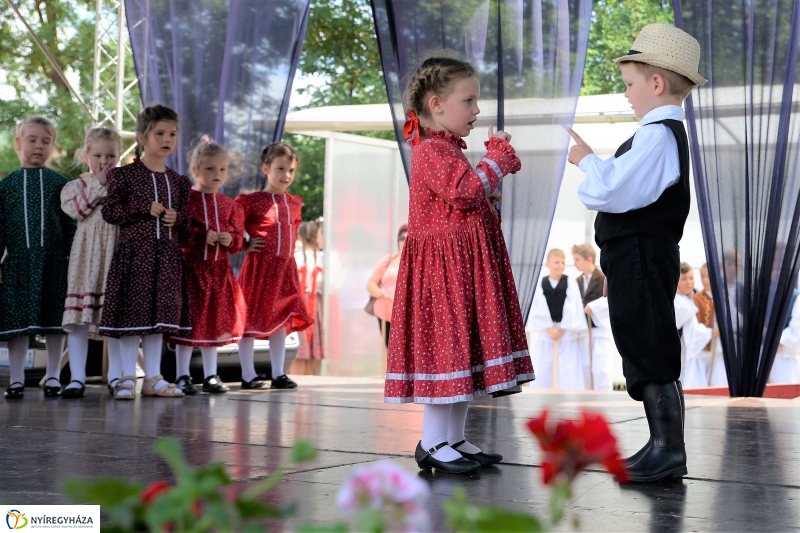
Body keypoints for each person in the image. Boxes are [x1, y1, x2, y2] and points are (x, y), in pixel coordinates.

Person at [384, 51, 534, 475]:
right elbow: (465, 192)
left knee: (463, 350)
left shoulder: (447, 150)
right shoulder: (431, 150)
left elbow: (467, 201)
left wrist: (487, 194)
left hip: (461, 270)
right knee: (446, 351)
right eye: (468, 101)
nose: (476, 109)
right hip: (443, 275)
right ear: (437, 105)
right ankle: (432, 441)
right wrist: (497, 159)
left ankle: (452, 438)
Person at [569, 23, 707, 482]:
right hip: (640, 256)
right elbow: (625, 187)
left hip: (643, 256)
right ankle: (662, 445)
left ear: (656, 83)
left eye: (630, 84)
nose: (627, 94)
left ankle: (669, 450)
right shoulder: (658, 136)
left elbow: (610, 190)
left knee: (649, 345)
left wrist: (587, 159)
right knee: (643, 342)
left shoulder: (657, 135)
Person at [99, 104, 192, 399]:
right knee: (132, 318)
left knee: (157, 319)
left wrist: (178, 218)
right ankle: (127, 377)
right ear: (142, 136)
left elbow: (189, 220)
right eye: (160, 133)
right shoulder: (123, 176)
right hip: (134, 256)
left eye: (172, 134)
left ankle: (153, 378)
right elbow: (110, 212)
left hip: (166, 258)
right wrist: (142, 207)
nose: (167, 139)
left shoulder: (179, 181)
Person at [1, 116, 76, 399]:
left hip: (55, 264)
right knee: (16, 325)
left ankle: (54, 376)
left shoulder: (62, 184)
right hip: (18, 265)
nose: (38, 146)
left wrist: (73, 260)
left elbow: (71, 226)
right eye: (32, 140)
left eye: (46, 141)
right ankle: (17, 379)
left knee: (56, 322)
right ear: (18, 143)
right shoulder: (6, 186)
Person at [170, 137, 246, 394]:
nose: (217, 174)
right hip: (191, 272)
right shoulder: (186, 201)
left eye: (222, 169)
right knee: (188, 323)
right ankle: (182, 375)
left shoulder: (230, 205)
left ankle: (211, 375)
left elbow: (238, 240)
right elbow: (178, 232)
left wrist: (230, 240)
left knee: (213, 322)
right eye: (210, 169)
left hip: (218, 273)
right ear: (195, 171)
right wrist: (199, 236)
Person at [236, 143, 313, 390]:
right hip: (259, 268)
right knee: (249, 320)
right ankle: (248, 374)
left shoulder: (294, 202)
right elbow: (234, 226)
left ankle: (278, 372)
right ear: (265, 168)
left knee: (280, 319)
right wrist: (244, 244)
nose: (286, 175)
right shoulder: (251, 201)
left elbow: (294, 228)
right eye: (280, 169)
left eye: (290, 170)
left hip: (284, 270)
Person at [60, 126, 124, 399]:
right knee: (79, 320)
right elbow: (77, 210)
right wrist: (98, 183)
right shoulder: (76, 186)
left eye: (110, 156)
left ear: (119, 156)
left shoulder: (124, 185)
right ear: (86, 156)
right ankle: (76, 378)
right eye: (97, 155)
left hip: (116, 255)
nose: (104, 161)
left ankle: (117, 376)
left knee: (114, 318)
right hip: (86, 258)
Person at [526, 249, 587, 389]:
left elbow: (574, 306)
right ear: (548, 264)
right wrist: (548, 327)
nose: (560, 265)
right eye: (556, 262)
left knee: (567, 367)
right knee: (544, 365)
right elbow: (537, 307)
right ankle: (542, 393)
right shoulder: (541, 282)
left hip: (565, 331)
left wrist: (563, 327)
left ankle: (568, 394)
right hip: (547, 332)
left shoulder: (570, 282)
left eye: (563, 262)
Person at [572, 243, 611, 389]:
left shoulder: (603, 278)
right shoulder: (577, 281)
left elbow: (610, 300)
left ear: (588, 259)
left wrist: (593, 307)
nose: (575, 263)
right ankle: (587, 398)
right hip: (584, 330)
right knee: (585, 367)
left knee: (600, 369)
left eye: (577, 259)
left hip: (600, 330)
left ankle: (602, 398)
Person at [366, 225, 407, 347]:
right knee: (391, 351)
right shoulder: (389, 259)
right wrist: (378, 292)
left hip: (408, 315)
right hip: (385, 312)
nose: (404, 241)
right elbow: (371, 283)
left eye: (408, 238)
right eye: (401, 238)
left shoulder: (421, 261)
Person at [294, 220, 324, 374]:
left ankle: (297, 377)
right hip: (317, 302)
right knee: (315, 347)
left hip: (298, 301)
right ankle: (313, 377)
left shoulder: (294, 256)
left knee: (298, 344)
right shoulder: (324, 257)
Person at [675, 262, 712, 388]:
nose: (689, 282)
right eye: (684, 279)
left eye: (691, 278)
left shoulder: (697, 295)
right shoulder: (674, 301)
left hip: (700, 348)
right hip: (681, 348)